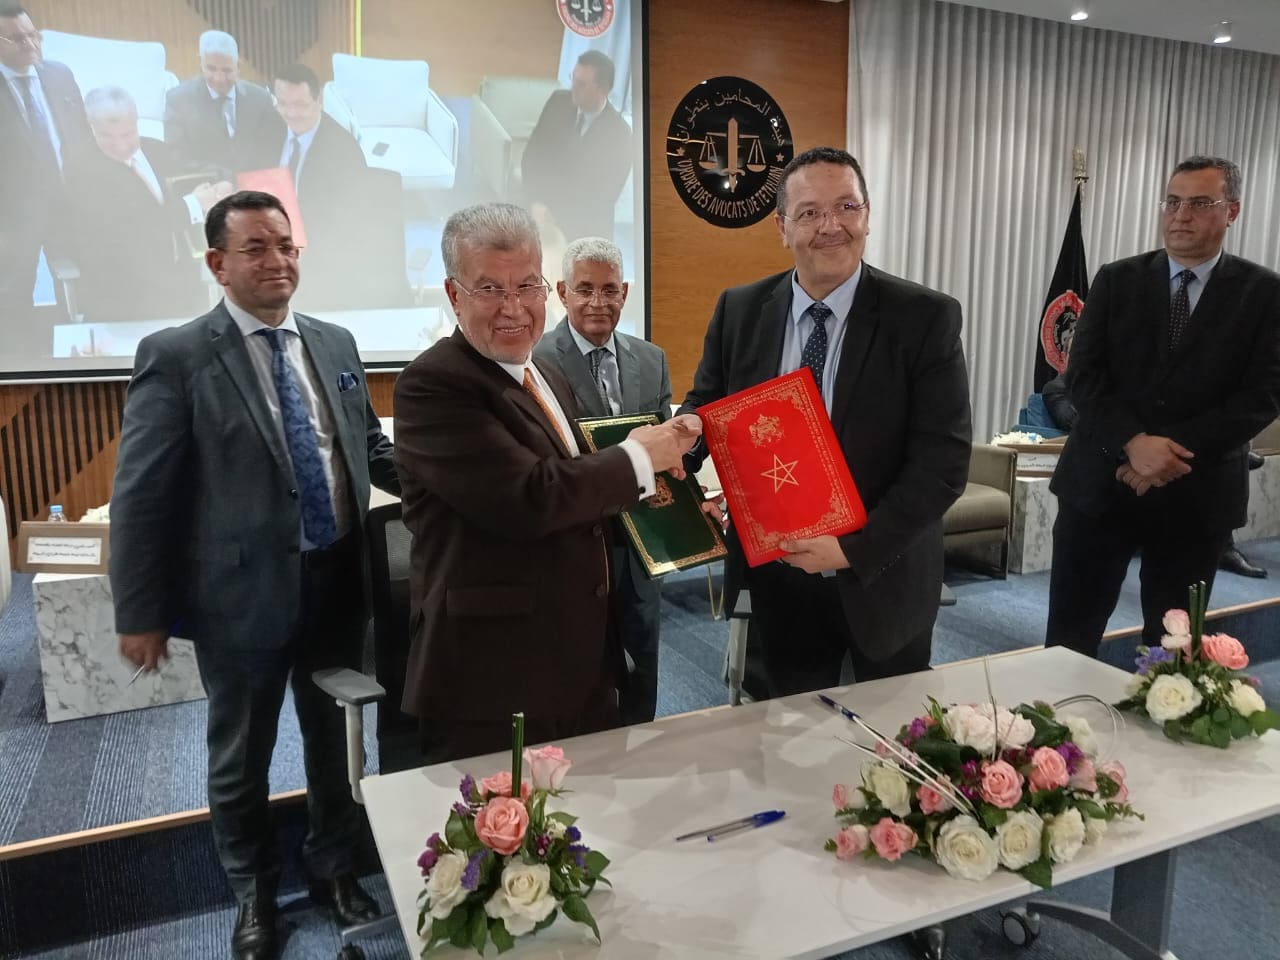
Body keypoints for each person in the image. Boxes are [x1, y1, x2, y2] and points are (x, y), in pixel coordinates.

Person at [110, 190, 399, 960]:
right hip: (239, 598)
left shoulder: (334, 342)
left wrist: (449, 486)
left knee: (336, 742)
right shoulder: (176, 355)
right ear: (218, 263)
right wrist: (139, 611)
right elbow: (141, 495)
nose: (277, 261)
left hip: (338, 583)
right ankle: (252, 892)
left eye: (286, 245)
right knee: (241, 756)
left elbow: (367, 447)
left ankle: (335, 867)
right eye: (256, 248)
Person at [394, 202, 701, 763]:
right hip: (495, 679)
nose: (513, 307)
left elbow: (584, 490)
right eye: (490, 288)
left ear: (544, 288)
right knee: (504, 817)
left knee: (591, 806)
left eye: (526, 286)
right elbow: (532, 497)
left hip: (579, 660)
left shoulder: (545, 372)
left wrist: (681, 505)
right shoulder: (432, 386)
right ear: (454, 294)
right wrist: (640, 455)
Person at [680, 145, 973, 697]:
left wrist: (853, 550)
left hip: (883, 573)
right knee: (789, 728)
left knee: (891, 732)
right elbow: (707, 406)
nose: (831, 226)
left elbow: (943, 464)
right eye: (810, 212)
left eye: (846, 207)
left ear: (868, 215)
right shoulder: (740, 310)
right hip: (779, 575)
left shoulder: (924, 317)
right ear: (782, 227)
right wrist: (683, 443)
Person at [1046, 156, 1280, 658]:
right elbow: (1083, 377)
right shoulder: (1116, 279)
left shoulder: (1265, 294)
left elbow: (1263, 394)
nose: (1181, 215)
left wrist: (1167, 455)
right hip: (1099, 485)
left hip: (1196, 496)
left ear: (1232, 210)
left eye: (1199, 203)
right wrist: (1133, 444)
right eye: (1173, 202)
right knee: (1069, 640)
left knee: (1173, 653)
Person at [532, 236, 672, 725]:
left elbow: (663, 451)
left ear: (625, 292)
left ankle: (643, 758)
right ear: (562, 292)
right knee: (580, 681)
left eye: (609, 290)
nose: (598, 302)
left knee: (643, 673)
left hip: (642, 547)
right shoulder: (534, 363)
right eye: (585, 289)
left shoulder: (652, 360)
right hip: (573, 549)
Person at [64, 86, 226, 321]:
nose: (121, 145)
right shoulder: (80, 169)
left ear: (136, 121)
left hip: (179, 288)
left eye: (127, 134)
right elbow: (133, 227)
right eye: (108, 137)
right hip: (123, 298)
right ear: (91, 125)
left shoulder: (156, 149)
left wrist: (221, 183)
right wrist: (192, 205)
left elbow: (194, 170)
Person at [0, 2, 90, 339]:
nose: (29, 44)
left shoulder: (59, 75)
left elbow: (82, 136)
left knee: (84, 282)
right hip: (12, 216)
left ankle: (81, 350)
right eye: (16, 39)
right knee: (12, 299)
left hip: (70, 202)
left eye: (32, 35)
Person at [247, 62, 368, 308]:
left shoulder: (344, 150)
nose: (291, 113)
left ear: (319, 100)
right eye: (283, 103)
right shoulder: (268, 126)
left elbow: (348, 224)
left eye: (300, 104)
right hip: (267, 240)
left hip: (318, 258)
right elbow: (252, 172)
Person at [521, 50, 632, 244]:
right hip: (541, 209)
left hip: (583, 227)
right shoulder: (558, 102)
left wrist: (555, 216)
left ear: (603, 90)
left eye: (581, 84)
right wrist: (537, 202)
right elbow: (532, 157)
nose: (573, 88)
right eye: (573, 79)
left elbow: (603, 196)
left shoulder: (620, 135)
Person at [164, 30, 275, 174]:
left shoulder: (261, 100)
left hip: (254, 183)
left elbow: (270, 152)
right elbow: (177, 158)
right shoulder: (178, 100)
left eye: (227, 70)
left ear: (238, 67)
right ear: (200, 63)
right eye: (211, 69)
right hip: (206, 183)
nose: (219, 78)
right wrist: (223, 178)